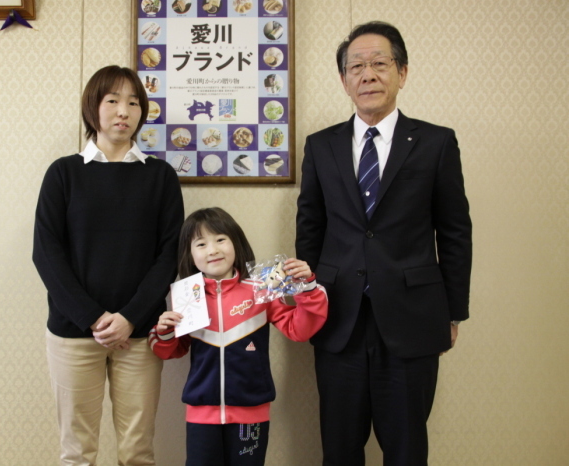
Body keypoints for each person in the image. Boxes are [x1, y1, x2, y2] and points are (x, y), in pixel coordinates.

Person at [296, 21, 472, 466]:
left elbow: (454, 231)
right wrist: (306, 303)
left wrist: (453, 311)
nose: (368, 74)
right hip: (338, 318)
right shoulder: (320, 146)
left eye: (379, 63)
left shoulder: (435, 143)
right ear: (344, 80)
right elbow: (310, 227)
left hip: (413, 318)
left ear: (402, 73)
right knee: (339, 447)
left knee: (407, 447)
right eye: (356, 66)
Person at [32, 65, 184, 465]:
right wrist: (94, 318)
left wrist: (130, 317)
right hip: (73, 332)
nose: (124, 111)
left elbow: (169, 254)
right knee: (77, 450)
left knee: (137, 449)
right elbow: (46, 252)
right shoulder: (63, 173)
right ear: (93, 108)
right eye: (112, 100)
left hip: (139, 334)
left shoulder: (161, 177)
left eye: (133, 102)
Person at [148, 207, 328, 466]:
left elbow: (299, 330)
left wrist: (307, 288)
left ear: (236, 242)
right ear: (189, 254)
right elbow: (172, 350)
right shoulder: (187, 295)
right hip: (201, 417)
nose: (213, 250)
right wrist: (165, 331)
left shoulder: (262, 288)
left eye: (221, 239)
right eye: (201, 243)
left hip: (252, 414)